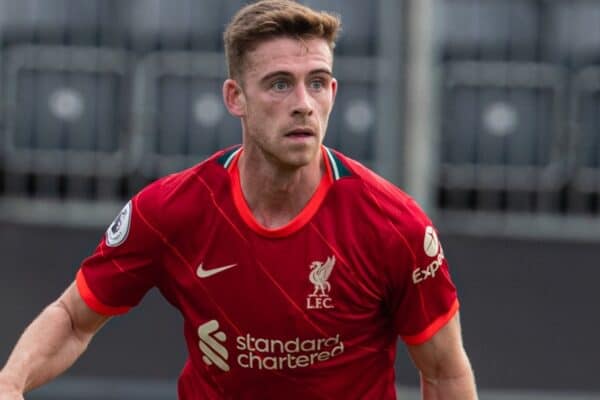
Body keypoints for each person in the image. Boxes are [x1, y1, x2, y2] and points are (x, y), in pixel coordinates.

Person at [0, 0, 477, 398]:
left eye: (317, 82)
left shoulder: (394, 225)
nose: (303, 104)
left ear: (333, 92)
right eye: (279, 83)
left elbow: (445, 373)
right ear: (235, 98)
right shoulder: (172, 210)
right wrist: (10, 383)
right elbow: (73, 319)